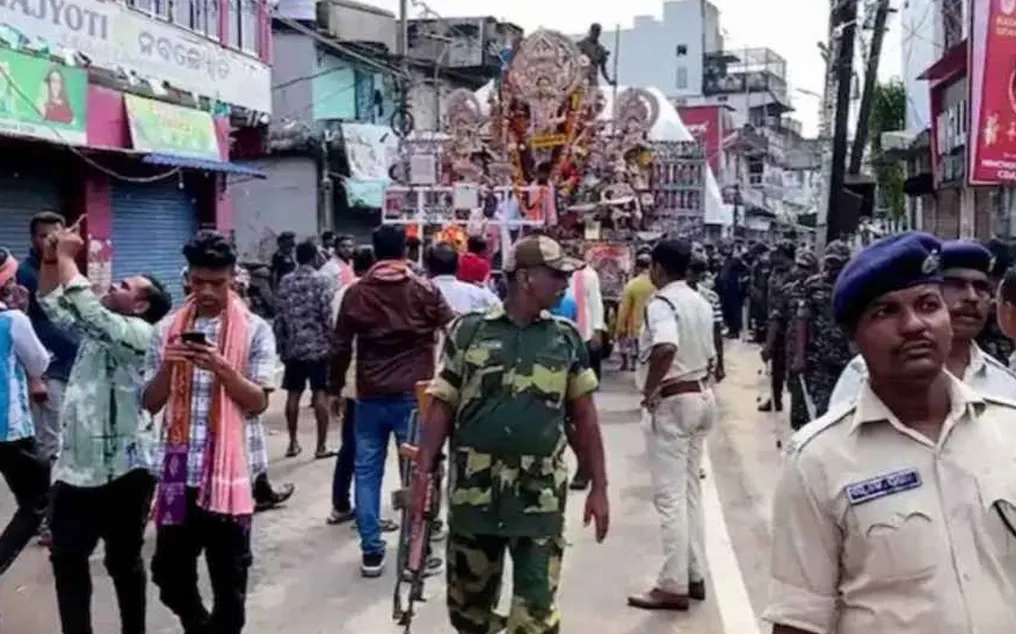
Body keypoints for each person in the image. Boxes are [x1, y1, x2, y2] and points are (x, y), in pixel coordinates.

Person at [764, 231, 1016, 634]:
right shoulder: (817, 461)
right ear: (855, 339)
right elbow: (799, 620)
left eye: (928, 305)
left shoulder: (1009, 426)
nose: (914, 325)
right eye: (885, 311)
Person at [417, 234, 609, 633]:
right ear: (524, 279)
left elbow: (585, 419)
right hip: (475, 496)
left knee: (535, 617)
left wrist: (600, 487)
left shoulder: (565, 338)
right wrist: (423, 476)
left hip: (538, 501)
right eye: (555, 275)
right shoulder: (468, 332)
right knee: (469, 614)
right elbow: (442, 405)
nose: (563, 283)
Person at [37, 221, 172, 634]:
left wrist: (67, 257)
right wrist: (50, 259)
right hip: (76, 471)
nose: (114, 286)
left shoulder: (139, 334)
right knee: (67, 559)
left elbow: (88, 309)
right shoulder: (98, 331)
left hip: (124, 472)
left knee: (123, 562)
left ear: (141, 306)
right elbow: (51, 302)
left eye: (125, 286)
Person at [142, 231, 278, 634]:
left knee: (229, 584)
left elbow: (258, 402)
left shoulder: (255, 330)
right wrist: (169, 366)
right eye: (198, 281)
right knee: (167, 574)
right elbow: (150, 403)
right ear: (187, 278)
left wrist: (222, 368)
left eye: (216, 283)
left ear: (232, 279)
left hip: (231, 474)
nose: (206, 292)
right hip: (176, 471)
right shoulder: (166, 329)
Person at [330, 225, 455, 577]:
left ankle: (371, 551)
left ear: (374, 251)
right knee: (418, 473)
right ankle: (416, 553)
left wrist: (335, 388)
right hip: (414, 396)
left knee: (366, 472)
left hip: (369, 394)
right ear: (406, 252)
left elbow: (340, 346)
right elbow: (454, 331)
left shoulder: (357, 293)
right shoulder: (425, 290)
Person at [627, 239, 717, 612]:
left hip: (674, 400)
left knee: (670, 497)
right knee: (690, 492)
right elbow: (713, 354)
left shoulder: (662, 304)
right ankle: (694, 573)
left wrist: (649, 391)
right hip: (701, 395)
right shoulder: (699, 301)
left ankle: (672, 583)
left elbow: (665, 347)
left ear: (659, 269)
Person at [829, 239, 1016, 405]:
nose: (972, 297)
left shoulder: (1005, 383)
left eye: (981, 287)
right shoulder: (864, 375)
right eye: (956, 285)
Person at [0, 249, 51, 583]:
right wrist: (23, 313)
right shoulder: (13, 321)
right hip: (10, 430)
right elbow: (39, 363)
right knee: (35, 503)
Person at [17, 211, 80, 468]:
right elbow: (21, 328)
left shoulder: (63, 266)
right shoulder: (25, 275)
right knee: (49, 442)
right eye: (43, 236)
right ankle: (45, 491)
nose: (49, 241)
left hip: (71, 366)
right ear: (33, 239)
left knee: (69, 435)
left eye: (55, 235)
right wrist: (35, 377)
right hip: (48, 371)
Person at [327, 246, 378, 527]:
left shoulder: (341, 294)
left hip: (350, 379)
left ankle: (340, 503)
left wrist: (333, 387)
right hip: (372, 380)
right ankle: (366, 513)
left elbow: (337, 341)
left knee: (350, 445)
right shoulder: (373, 293)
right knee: (370, 453)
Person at [274, 240, 336, 459]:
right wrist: (334, 341)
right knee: (320, 393)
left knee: (293, 394)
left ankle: (292, 443)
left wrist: (281, 345)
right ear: (314, 257)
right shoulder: (322, 280)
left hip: (294, 346)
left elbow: (279, 316)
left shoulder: (286, 281)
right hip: (319, 347)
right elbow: (327, 314)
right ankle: (321, 447)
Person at [789, 240, 853, 425]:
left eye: (838, 263)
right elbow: (802, 319)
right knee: (823, 410)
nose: (833, 268)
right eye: (830, 262)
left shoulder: (855, 284)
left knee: (849, 408)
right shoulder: (813, 285)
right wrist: (800, 355)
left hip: (850, 359)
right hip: (821, 358)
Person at [776, 251, 819, 431]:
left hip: (818, 352)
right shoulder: (788, 290)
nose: (802, 272)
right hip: (794, 350)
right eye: (799, 267)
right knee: (797, 396)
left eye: (806, 268)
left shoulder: (820, 290)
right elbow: (778, 319)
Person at [760, 242, 796, 412]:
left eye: (777, 253)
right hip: (775, 323)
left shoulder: (793, 274)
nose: (773, 256)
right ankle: (776, 399)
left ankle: (796, 406)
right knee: (776, 366)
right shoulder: (775, 271)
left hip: (789, 326)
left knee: (791, 367)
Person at [425, 241, 501, 314]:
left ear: (427, 268)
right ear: (458, 266)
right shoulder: (476, 292)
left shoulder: (421, 294)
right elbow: (499, 310)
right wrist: (485, 290)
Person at [688, 255, 725, 383]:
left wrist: (720, 364)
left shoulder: (672, 296)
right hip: (702, 353)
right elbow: (717, 332)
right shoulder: (711, 297)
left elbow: (716, 331)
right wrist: (720, 364)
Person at [615, 253, 655, 372]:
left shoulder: (632, 285)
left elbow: (625, 309)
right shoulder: (657, 283)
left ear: (637, 267)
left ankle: (632, 363)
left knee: (635, 347)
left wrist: (620, 327)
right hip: (654, 325)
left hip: (636, 325)